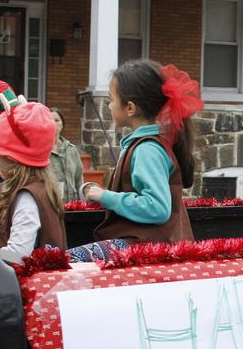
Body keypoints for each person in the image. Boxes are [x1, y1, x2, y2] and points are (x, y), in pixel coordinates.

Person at [70, 60, 202, 262]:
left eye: (111, 99)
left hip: (144, 247)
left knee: (65, 261)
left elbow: (157, 207)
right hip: (145, 243)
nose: (108, 105)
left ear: (130, 107)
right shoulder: (145, 145)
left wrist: (106, 197)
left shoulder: (147, 149)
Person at [0, 84, 66, 264]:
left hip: (24, 289)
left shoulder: (27, 196)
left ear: (12, 158)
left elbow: (18, 254)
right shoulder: (34, 188)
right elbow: (6, 224)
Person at [48, 107, 84, 202]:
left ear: (62, 124)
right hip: (50, 203)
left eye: (57, 120)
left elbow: (79, 178)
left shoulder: (71, 149)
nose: (53, 123)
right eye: (50, 120)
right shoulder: (41, 150)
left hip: (72, 204)